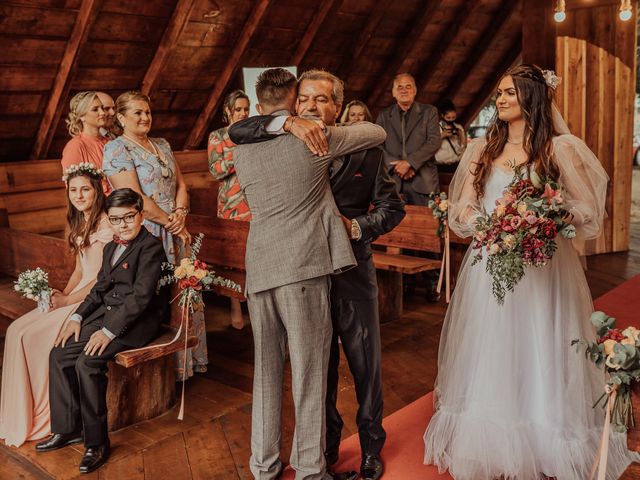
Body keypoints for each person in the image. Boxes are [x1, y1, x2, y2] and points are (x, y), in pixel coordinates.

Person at [423, 64, 635, 479]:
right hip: (492, 264)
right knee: (495, 345)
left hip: (544, 266)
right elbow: (464, 208)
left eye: (509, 93)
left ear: (531, 99)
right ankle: (495, 436)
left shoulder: (560, 149)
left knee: (542, 339)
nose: (500, 99)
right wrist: (490, 223)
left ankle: (546, 433)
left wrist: (542, 217)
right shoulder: (481, 149)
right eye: (499, 93)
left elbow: (588, 210)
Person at [229, 69, 405, 480]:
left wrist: (359, 227)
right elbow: (244, 128)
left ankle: (362, 450)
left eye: (321, 100)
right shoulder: (303, 141)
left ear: (337, 106)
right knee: (313, 377)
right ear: (292, 105)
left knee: (363, 369)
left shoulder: (251, 147)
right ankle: (316, 463)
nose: (311, 106)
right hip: (305, 272)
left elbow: (390, 206)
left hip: (341, 274)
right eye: (303, 100)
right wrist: (288, 124)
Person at [36, 188, 168, 474]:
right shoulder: (111, 246)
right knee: (58, 354)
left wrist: (108, 331)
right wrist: (77, 317)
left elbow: (141, 298)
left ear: (141, 215)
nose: (122, 225)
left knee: (88, 362)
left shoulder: (152, 246)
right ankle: (68, 428)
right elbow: (99, 289)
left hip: (137, 321)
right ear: (109, 219)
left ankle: (96, 443)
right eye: (116, 219)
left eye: (129, 217)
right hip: (106, 314)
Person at [0, 165, 112, 448]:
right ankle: (17, 413)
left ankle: (45, 414)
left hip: (93, 300)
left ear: (97, 190)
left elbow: (101, 279)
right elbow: (79, 269)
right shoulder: (79, 221)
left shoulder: (106, 224)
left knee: (30, 336)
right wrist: (61, 293)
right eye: (73, 190)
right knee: (15, 329)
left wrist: (69, 302)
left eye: (85, 189)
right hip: (76, 294)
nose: (79, 195)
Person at [102, 91, 206, 381]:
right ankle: (160, 373)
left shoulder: (163, 144)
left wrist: (181, 212)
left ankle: (188, 362)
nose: (145, 117)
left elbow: (182, 183)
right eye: (137, 113)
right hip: (147, 231)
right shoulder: (116, 149)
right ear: (121, 118)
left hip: (175, 226)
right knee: (153, 293)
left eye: (147, 112)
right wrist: (171, 223)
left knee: (183, 291)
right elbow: (134, 197)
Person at [376, 73, 442, 302]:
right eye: (399, 87)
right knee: (398, 233)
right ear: (393, 92)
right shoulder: (384, 116)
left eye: (408, 86)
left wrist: (411, 163)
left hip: (422, 180)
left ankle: (433, 283)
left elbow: (434, 141)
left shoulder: (429, 112)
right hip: (395, 181)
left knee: (428, 233)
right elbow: (377, 145)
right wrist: (399, 166)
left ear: (415, 90)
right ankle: (404, 285)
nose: (404, 90)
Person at [208, 89, 251, 330]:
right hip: (232, 203)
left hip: (255, 200)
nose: (243, 113)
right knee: (234, 257)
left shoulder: (256, 133)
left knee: (253, 254)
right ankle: (235, 305)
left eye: (246, 109)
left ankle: (256, 302)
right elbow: (216, 170)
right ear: (228, 111)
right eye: (238, 109)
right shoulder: (218, 136)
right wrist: (240, 151)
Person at [61, 91, 111, 193]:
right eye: (95, 109)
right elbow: (74, 188)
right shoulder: (75, 146)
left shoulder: (110, 142)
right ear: (82, 116)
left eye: (102, 108)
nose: (103, 113)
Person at [434, 99, 466, 173]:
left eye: (453, 117)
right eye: (448, 118)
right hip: (440, 166)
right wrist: (441, 136)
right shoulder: (435, 128)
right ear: (442, 115)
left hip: (456, 164)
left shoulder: (459, 128)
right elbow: (430, 148)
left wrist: (460, 135)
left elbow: (463, 147)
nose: (451, 120)